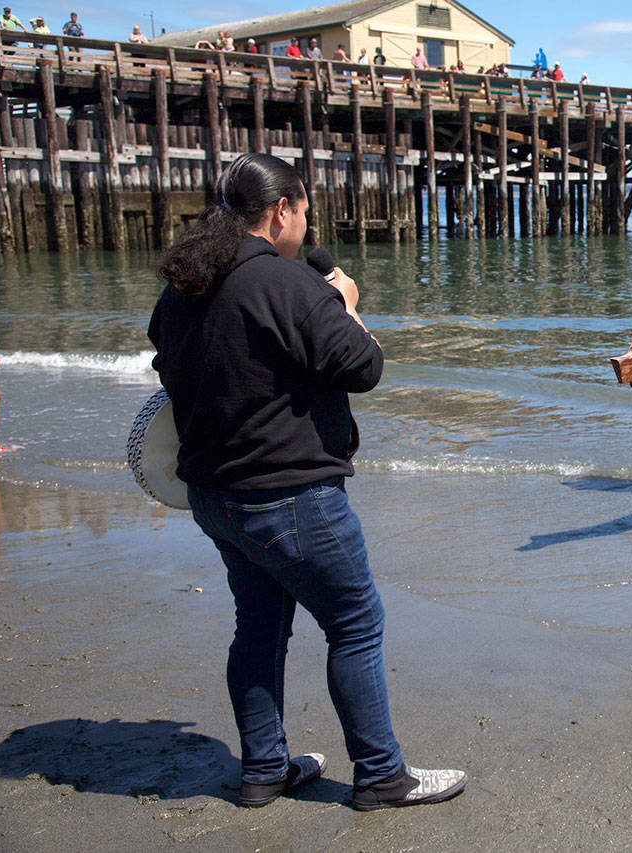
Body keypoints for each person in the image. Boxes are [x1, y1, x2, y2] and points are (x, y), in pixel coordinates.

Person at [147, 153, 466, 812]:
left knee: (259, 627)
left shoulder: (184, 289)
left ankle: (264, 769)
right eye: (305, 211)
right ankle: (380, 774)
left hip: (214, 495)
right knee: (355, 623)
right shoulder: (290, 284)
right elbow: (363, 365)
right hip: (291, 496)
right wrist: (343, 302)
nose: (304, 224)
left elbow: (173, 371)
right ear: (281, 209)